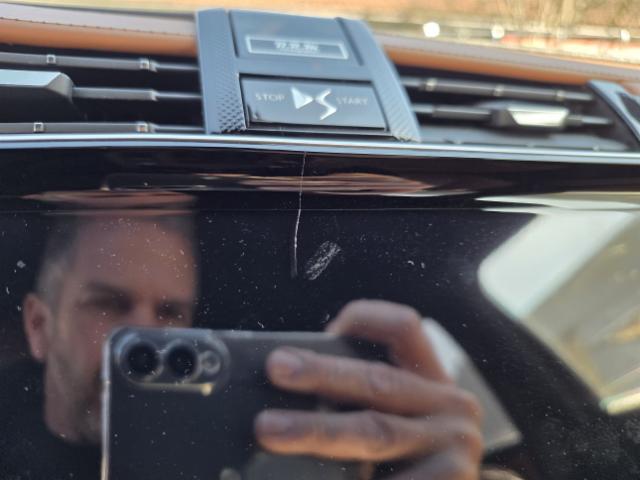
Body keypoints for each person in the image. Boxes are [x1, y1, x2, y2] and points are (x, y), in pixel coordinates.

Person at [2, 212, 483, 479]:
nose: (149, 338)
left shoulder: (256, 437)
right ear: (39, 326)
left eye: (171, 313)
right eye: (108, 304)